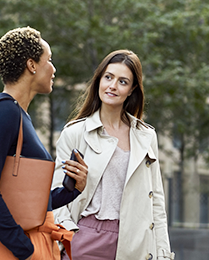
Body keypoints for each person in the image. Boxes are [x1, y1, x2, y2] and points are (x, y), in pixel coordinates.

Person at [0, 27, 88, 260]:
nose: (53, 69)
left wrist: (72, 190)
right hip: (8, 248)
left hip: (21, 243)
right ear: (32, 65)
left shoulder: (17, 114)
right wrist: (25, 248)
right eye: (49, 60)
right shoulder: (4, 112)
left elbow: (26, 200)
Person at [51, 50, 174, 260]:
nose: (113, 86)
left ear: (132, 89)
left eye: (122, 81)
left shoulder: (146, 136)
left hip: (135, 242)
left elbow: (156, 202)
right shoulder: (75, 133)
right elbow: (57, 194)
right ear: (99, 79)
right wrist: (69, 237)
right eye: (108, 77)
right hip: (86, 238)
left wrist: (163, 253)